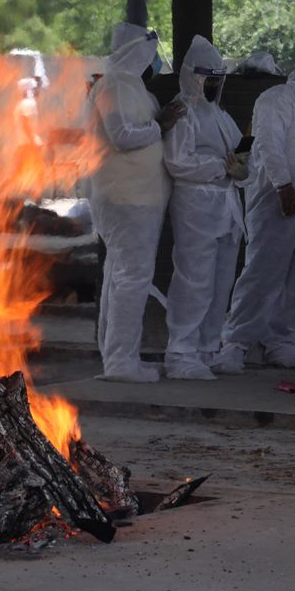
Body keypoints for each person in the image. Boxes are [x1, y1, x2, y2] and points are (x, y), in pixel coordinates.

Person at [214, 46, 295, 372]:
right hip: (276, 201)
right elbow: (268, 142)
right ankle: (236, 343)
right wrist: (283, 185)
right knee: (263, 271)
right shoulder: (278, 97)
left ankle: (279, 339)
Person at [88, 23, 186, 382]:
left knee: (121, 276)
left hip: (135, 199)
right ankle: (120, 362)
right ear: (138, 53)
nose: (154, 61)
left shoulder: (129, 86)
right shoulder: (115, 84)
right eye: (150, 54)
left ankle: (114, 355)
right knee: (131, 278)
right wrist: (160, 125)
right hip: (126, 198)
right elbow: (123, 135)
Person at [162, 36, 250, 379]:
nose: (213, 86)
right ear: (192, 77)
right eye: (207, 79)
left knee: (220, 281)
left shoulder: (219, 114)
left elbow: (237, 156)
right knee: (194, 280)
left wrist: (241, 169)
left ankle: (207, 348)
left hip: (225, 206)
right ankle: (181, 352)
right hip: (196, 204)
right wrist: (220, 167)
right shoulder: (182, 112)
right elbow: (177, 162)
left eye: (217, 79)